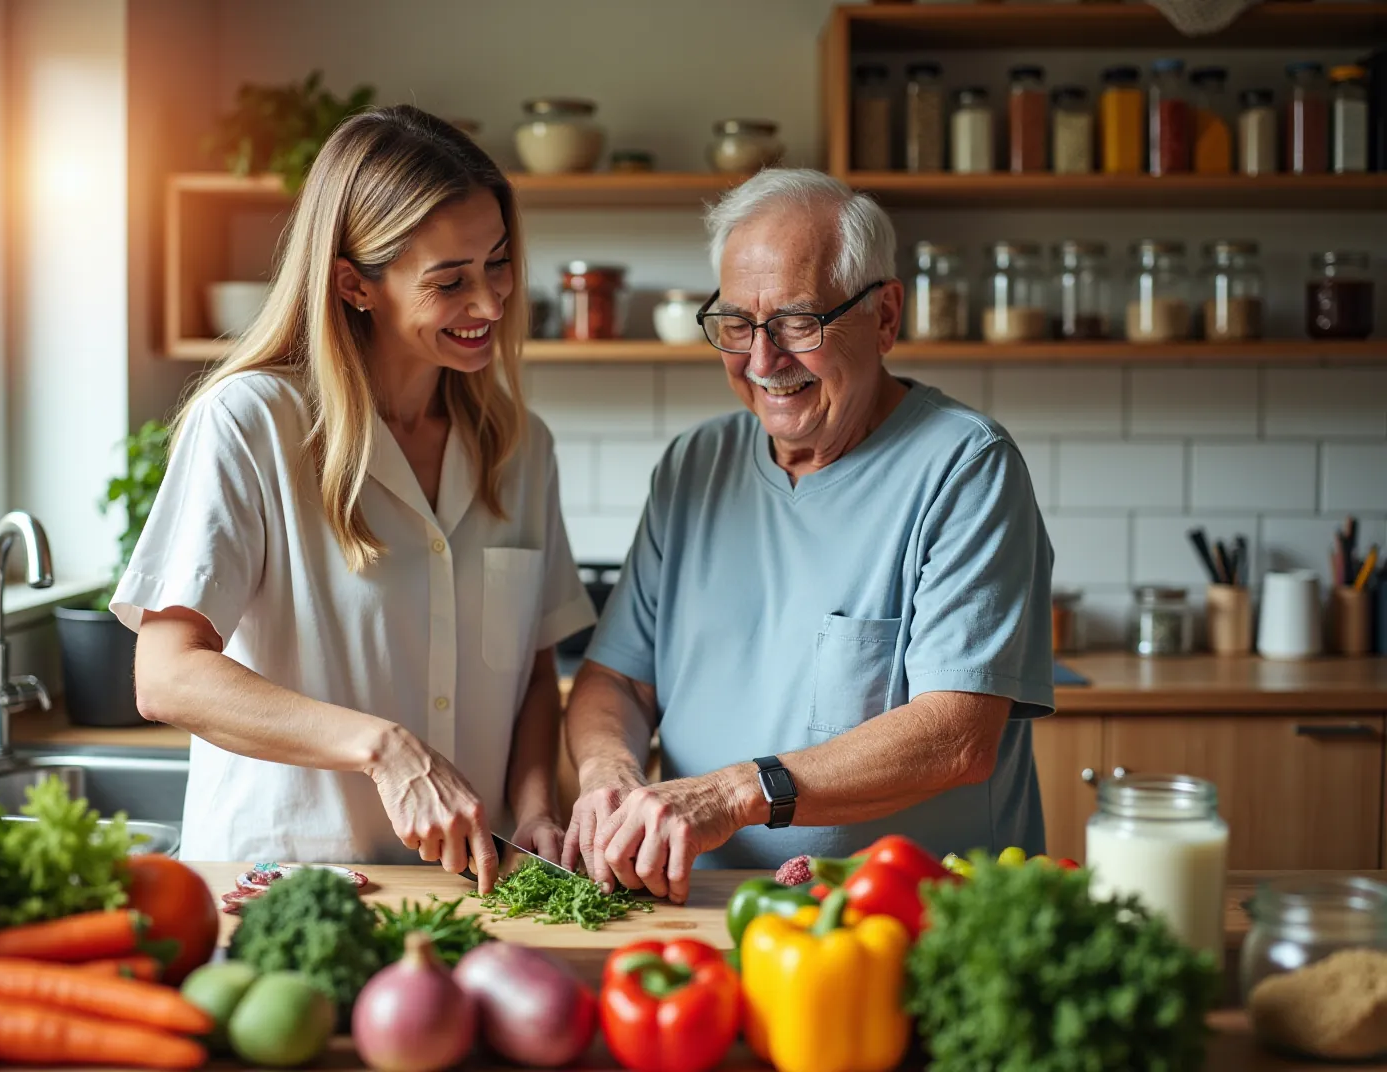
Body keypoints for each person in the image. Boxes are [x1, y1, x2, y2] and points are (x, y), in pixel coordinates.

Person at [112, 106, 594, 890]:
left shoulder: (520, 446)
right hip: (283, 886)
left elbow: (534, 671)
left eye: (498, 264)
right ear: (354, 285)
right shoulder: (252, 424)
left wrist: (538, 805)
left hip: (475, 888)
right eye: (450, 281)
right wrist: (383, 748)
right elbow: (166, 676)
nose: (491, 305)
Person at [561, 169, 1054, 904]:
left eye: (797, 322)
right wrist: (609, 775)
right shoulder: (695, 465)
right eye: (736, 324)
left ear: (886, 315)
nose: (763, 362)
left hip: (912, 920)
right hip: (700, 904)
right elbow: (617, 681)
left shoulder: (966, 466)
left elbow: (957, 736)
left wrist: (733, 795)